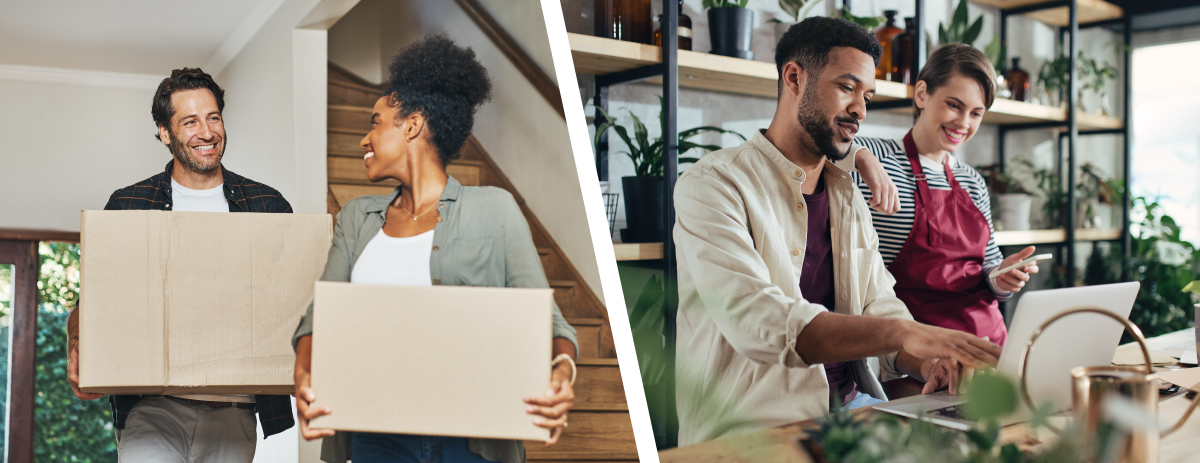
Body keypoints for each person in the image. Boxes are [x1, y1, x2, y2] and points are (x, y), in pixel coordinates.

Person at [671, 17, 1002, 445]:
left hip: (853, 413)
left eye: (867, 95)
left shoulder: (846, 193)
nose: (861, 110)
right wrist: (908, 332)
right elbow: (758, 321)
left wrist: (925, 362)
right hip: (754, 434)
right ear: (794, 77)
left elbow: (879, 304)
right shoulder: (713, 185)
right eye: (847, 88)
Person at [290, 35, 579, 463]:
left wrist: (562, 373)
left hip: (472, 443)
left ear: (412, 124)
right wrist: (304, 375)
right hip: (375, 437)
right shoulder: (357, 217)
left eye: (375, 122)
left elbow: (550, 324)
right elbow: (319, 317)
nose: (363, 140)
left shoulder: (494, 210)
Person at [66, 68, 295, 461]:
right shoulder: (129, 204)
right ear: (164, 132)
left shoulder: (268, 205)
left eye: (213, 117)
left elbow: (291, 303)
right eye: (190, 121)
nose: (206, 132)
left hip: (235, 408)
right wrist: (78, 342)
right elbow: (96, 300)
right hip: (152, 406)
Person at [849, 44, 1039, 348]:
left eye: (976, 113)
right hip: (916, 349)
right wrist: (859, 155)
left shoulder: (972, 181)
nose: (963, 123)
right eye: (954, 105)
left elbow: (988, 269)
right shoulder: (876, 158)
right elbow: (815, 146)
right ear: (922, 94)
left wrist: (1003, 277)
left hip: (988, 341)